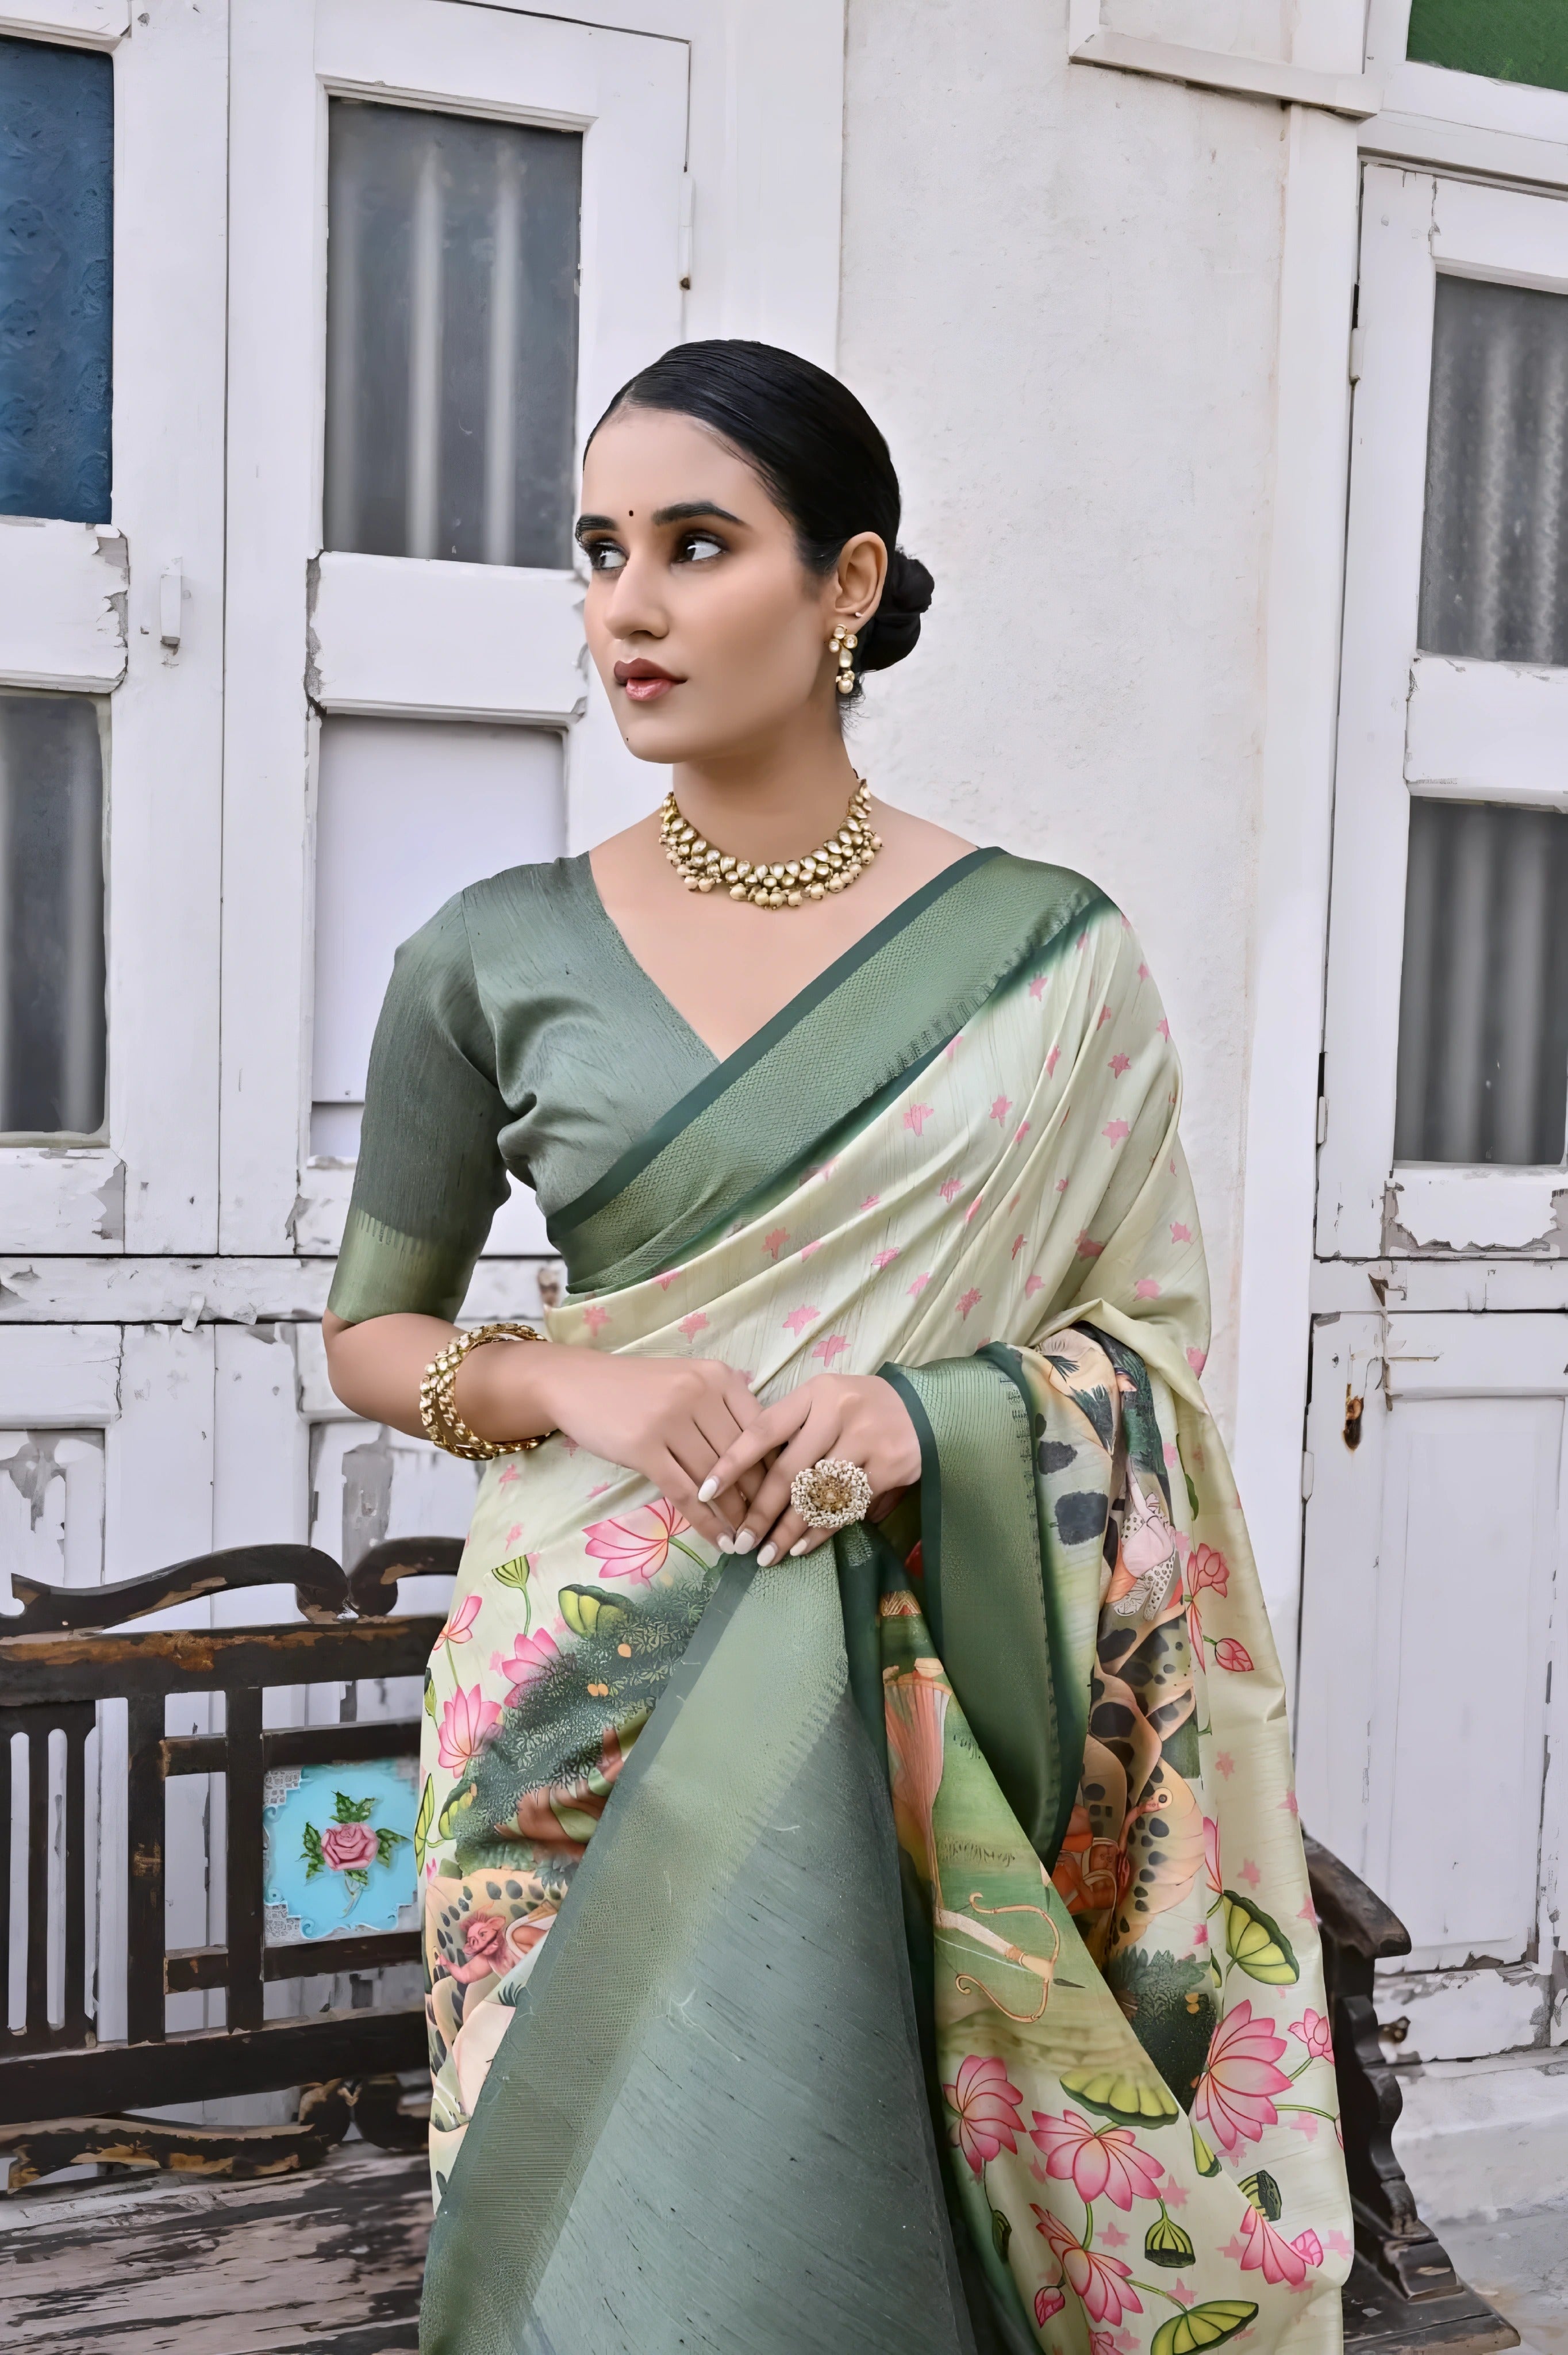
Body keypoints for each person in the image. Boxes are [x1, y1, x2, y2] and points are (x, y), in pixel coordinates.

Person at [323, 340, 1350, 2355]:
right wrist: (570, 1379)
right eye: (600, 550)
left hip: (942, 1713)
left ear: (849, 585)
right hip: (580, 1719)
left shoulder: (1051, 951)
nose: (627, 604)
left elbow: (1143, 1343)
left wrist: (926, 1416)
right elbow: (373, 1335)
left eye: (696, 546)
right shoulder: (490, 953)